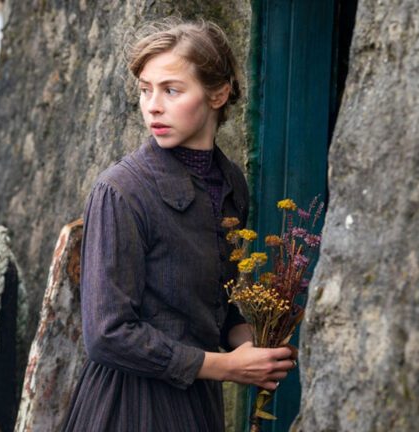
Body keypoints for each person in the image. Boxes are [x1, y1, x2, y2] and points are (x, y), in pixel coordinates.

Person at [61, 19, 298, 432]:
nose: (153, 105)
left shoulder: (229, 184)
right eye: (144, 89)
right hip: (126, 407)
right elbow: (106, 335)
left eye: (171, 90)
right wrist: (225, 367)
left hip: (195, 406)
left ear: (218, 94)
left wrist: (256, 343)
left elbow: (211, 308)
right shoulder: (120, 191)